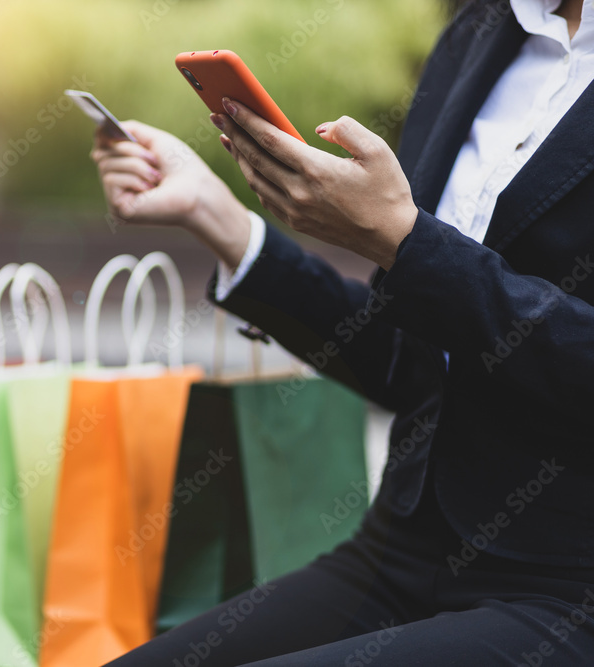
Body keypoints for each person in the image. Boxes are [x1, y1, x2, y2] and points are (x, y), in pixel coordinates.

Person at [92, 0, 594, 664]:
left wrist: (406, 242)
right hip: (401, 551)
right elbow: (410, 366)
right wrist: (217, 216)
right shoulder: (477, 37)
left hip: (564, 585)